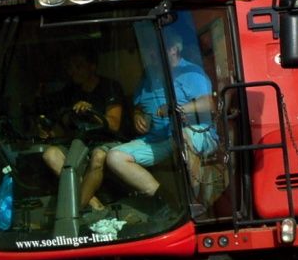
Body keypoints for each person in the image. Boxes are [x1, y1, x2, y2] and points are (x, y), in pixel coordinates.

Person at [104, 16, 218, 202]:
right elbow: (138, 106)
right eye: (149, 49)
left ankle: (195, 202)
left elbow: (209, 104)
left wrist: (177, 108)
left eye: (155, 49)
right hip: (158, 139)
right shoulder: (149, 76)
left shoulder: (191, 72)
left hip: (194, 133)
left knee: (184, 137)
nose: (150, 53)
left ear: (174, 49)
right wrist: (137, 116)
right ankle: (168, 201)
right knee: (114, 157)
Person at [37, 49, 128, 211]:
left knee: (98, 156)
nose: (73, 71)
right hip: (79, 142)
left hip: (106, 141)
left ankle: (76, 210)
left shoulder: (110, 87)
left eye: (78, 66)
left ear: (92, 67)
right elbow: (63, 126)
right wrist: (47, 132)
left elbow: (114, 124)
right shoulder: (69, 91)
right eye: (70, 67)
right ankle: (93, 203)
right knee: (50, 154)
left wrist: (91, 112)